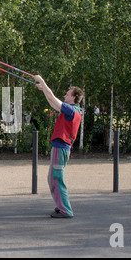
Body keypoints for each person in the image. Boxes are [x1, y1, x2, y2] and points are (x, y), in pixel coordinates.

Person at [34, 75, 84, 218]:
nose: (65, 95)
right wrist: (44, 89)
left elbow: (53, 99)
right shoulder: (72, 109)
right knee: (53, 178)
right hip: (60, 148)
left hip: (61, 147)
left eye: (67, 94)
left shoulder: (71, 110)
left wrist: (43, 81)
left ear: (74, 97)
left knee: (56, 178)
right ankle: (62, 206)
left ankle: (65, 210)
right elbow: (52, 102)